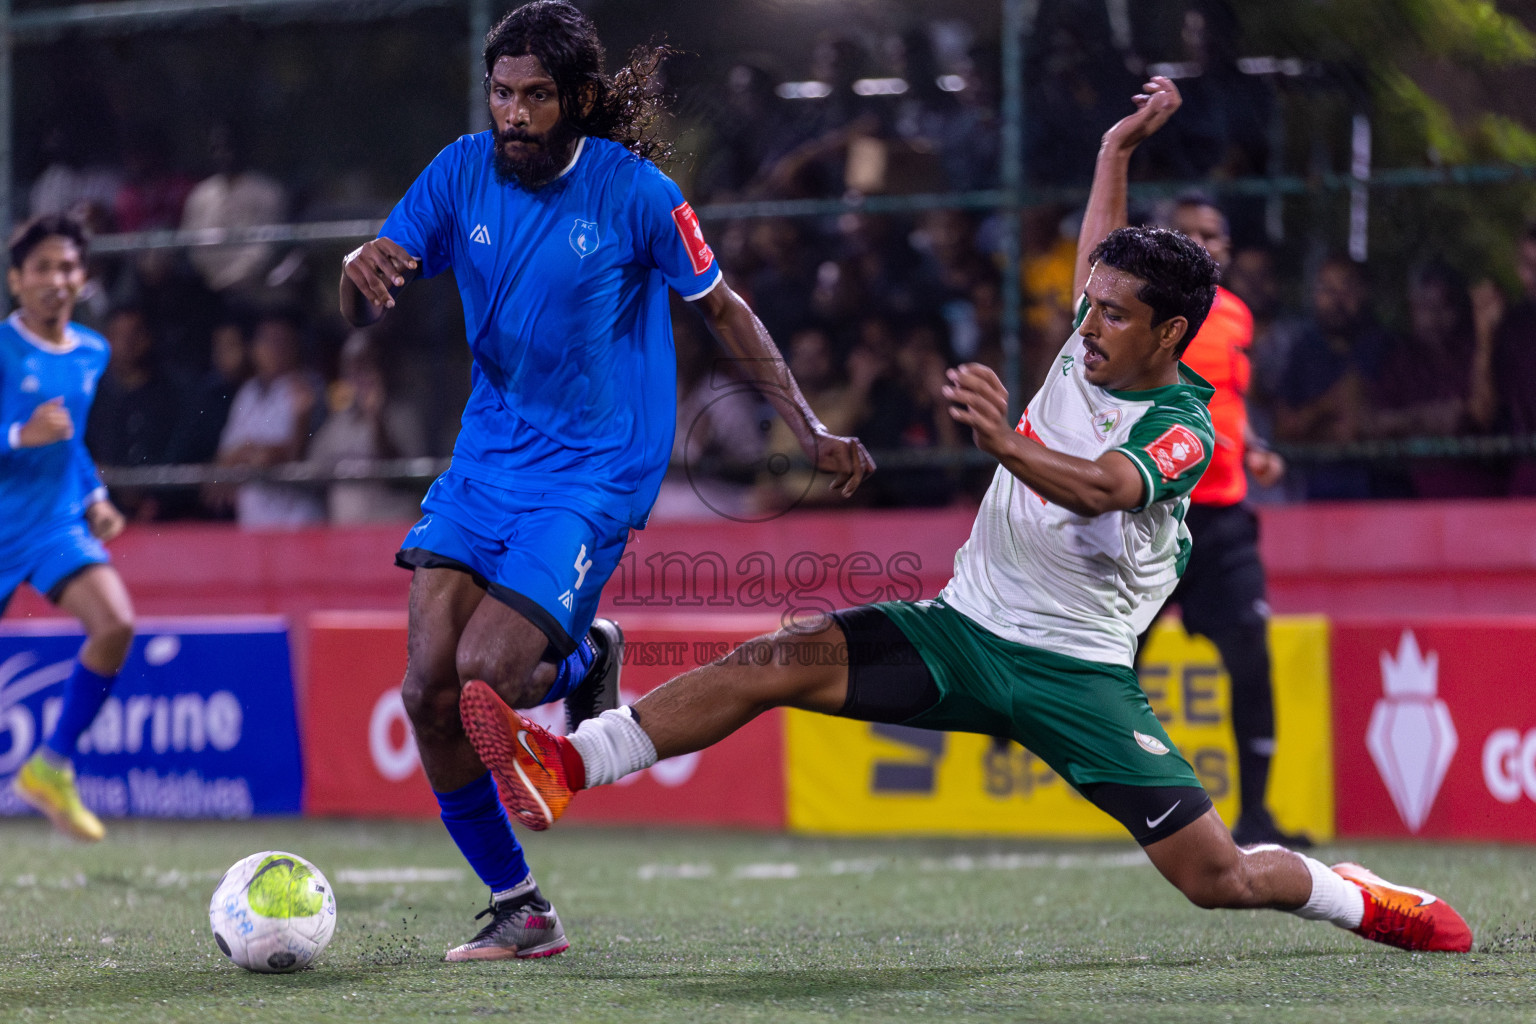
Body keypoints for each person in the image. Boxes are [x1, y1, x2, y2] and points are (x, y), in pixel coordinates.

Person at [477, 79, 1475, 958]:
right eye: (1089, 303)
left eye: (1115, 314)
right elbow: (1102, 251)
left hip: (1074, 675)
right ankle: (571, 760)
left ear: (1171, 332)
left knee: (1218, 877)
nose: (1086, 325)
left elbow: (1103, 487)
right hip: (962, 631)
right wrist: (1113, 150)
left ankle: (1363, 900)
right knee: (775, 657)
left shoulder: (1185, 426)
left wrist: (1003, 443)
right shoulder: (1097, 333)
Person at [338, 0, 872, 963]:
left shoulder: (638, 193)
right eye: (501, 94)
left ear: (578, 99)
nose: (514, 115)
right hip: (484, 461)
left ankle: (580, 661)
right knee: (424, 689)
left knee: (485, 674)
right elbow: (366, 294)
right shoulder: (459, 171)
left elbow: (727, 309)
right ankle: (521, 906)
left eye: (536, 97)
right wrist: (355, 267)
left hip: (594, 471)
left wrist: (810, 426)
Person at [1133, 183, 1298, 842]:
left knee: (1251, 653)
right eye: (1191, 233)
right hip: (1147, 517)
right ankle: (1119, 793)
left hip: (1223, 519)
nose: (1205, 245)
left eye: (1215, 237)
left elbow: (1229, 402)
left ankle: (1256, 812)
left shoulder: (1236, 316)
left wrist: (1255, 450)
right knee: (1110, 664)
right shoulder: (1133, 311)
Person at [2, 215, 134, 843]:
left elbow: (70, 443)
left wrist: (95, 496)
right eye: (44, 268)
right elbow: (36, 435)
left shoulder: (91, 351)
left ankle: (51, 767)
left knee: (115, 625)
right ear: (16, 281)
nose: (59, 280)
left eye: (69, 268)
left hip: (54, 523)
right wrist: (16, 436)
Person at [214, 313, 326, 529]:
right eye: (268, 341)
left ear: (296, 347)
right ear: (254, 349)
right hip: (254, 520)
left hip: (298, 519)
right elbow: (225, 455)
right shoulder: (247, 392)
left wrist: (252, 453)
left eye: (283, 342)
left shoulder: (310, 386)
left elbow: (294, 454)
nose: (276, 349)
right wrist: (255, 452)